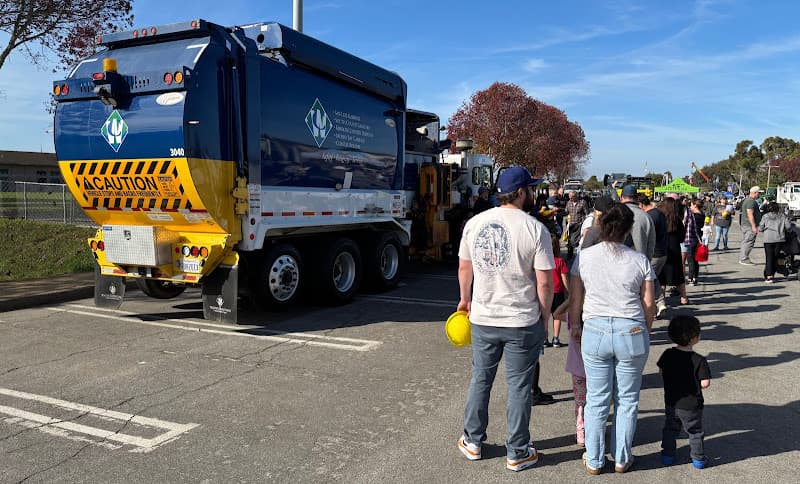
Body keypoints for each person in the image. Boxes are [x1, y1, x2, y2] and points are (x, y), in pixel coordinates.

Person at [456, 166, 555, 472]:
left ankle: (472, 440)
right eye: (531, 189)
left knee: (481, 379)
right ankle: (518, 450)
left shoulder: (475, 223)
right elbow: (545, 281)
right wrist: (545, 311)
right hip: (521, 319)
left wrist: (465, 299)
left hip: (484, 316)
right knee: (519, 386)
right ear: (523, 192)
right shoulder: (535, 228)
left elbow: (464, 268)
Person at [569, 203, 656, 475]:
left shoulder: (584, 257)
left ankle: (594, 459)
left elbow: (575, 299)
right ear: (629, 229)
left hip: (594, 329)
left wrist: (575, 325)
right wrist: (646, 328)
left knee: (597, 398)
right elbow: (649, 303)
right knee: (627, 399)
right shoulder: (639, 260)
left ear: (602, 225)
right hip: (631, 329)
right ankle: (621, 458)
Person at [658, 315, 711, 469]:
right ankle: (698, 459)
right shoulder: (699, 360)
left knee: (670, 429)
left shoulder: (667, 354)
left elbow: (662, 372)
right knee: (695, 431)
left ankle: (668, 455)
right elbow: (705, 383)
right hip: (692, 405)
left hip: (672, 402)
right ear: (695, 337)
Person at [555, 295, 586, 447]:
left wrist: (571, 299)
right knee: (595, 400)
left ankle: (581, 433)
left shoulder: (573, 319)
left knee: (580, 402)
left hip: (577, 369)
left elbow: (556, 313)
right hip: (595, 369)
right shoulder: (593, 322)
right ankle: (593, 429)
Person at [639, 194, 668, 317]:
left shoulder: (649, 216)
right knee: (653, 279)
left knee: (648, 281)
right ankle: (660, 304)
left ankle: (656, 307)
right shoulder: (659, 213)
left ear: (641, 204)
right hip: (662, 252)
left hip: (654, 253)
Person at [659, 198, 689, 305]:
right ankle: (684, 298)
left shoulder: (660, 219)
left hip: (662, 250)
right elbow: (682, 238)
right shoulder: (677, 221)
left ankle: (661, 301)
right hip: (675, 251)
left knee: (661, 278)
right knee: (679, 277)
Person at [619, 185, 656, 259]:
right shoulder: (646, 216)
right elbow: (651, 243)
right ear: (637, 199)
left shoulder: (614, 214)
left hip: (618, 263)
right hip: (640, 262)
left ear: (621, 198)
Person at [758, 202, 789, 283]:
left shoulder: (765, 216)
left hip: (768, 239)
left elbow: (761, 228)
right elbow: (788, 227)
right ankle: (772, 273)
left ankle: (769, 276)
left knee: (769, 257)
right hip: (779, 239)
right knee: (775, 257)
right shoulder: (782, 216)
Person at [549, 234, 569, 347]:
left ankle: (544, 339)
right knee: (557, 315)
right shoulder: (560, 261)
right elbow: (564, 278)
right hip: (558, 291)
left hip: (546, 291)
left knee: (545, 316)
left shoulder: (544, 261)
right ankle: (555, 338)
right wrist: (570, 291)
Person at [739, 186, 763, 265]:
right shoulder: (751, 201)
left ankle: (744, 257)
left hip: (746, 224)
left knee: (746, 241)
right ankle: (744, 258)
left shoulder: (748, 200)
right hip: (749, 225)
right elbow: (750, 213)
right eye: (759, 193)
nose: (759, 195)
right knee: (748, 241)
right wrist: (753, 226)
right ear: (755, 193)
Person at [684, 199, 704, 286]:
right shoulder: (702, 214)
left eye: (691, 205)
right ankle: (695, 277)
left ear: (695, 205)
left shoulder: (693, 216)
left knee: (690, 260)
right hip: (699, 239)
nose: (690, 206)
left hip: (691, 238)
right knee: (696, 260)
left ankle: (690, 278)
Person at [565, 190, 590, 259]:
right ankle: (569, 256)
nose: (570, 198)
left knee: (575, 240)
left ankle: (580, 254)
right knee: (570, 240)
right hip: (570, 224)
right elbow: (566, 212)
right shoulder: (568, 203)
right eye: (569, 197)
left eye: (572, 197)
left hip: (579, 224)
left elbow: (587, 214)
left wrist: (584, 223)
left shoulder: (583, 203)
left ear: (576, 196)